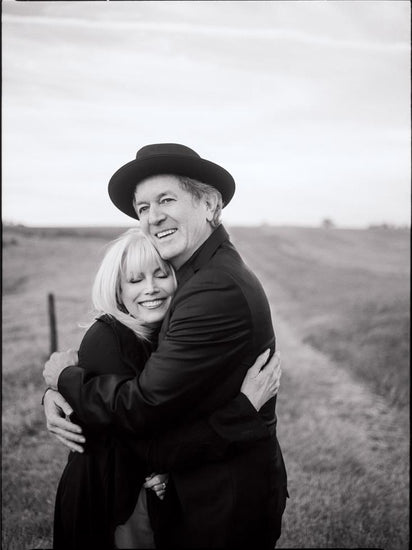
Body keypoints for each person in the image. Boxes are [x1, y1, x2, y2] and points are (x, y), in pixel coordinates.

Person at [43, 143, 288, 548]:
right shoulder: (196, 275)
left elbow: (144, 405)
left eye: (166, 199)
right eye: (142, 208)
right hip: (181, 492)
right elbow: (131, 376)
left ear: (209, 203)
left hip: (220, 503)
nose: (153, 217)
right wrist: (56, 389)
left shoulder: (212, 287)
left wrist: (65, 379)